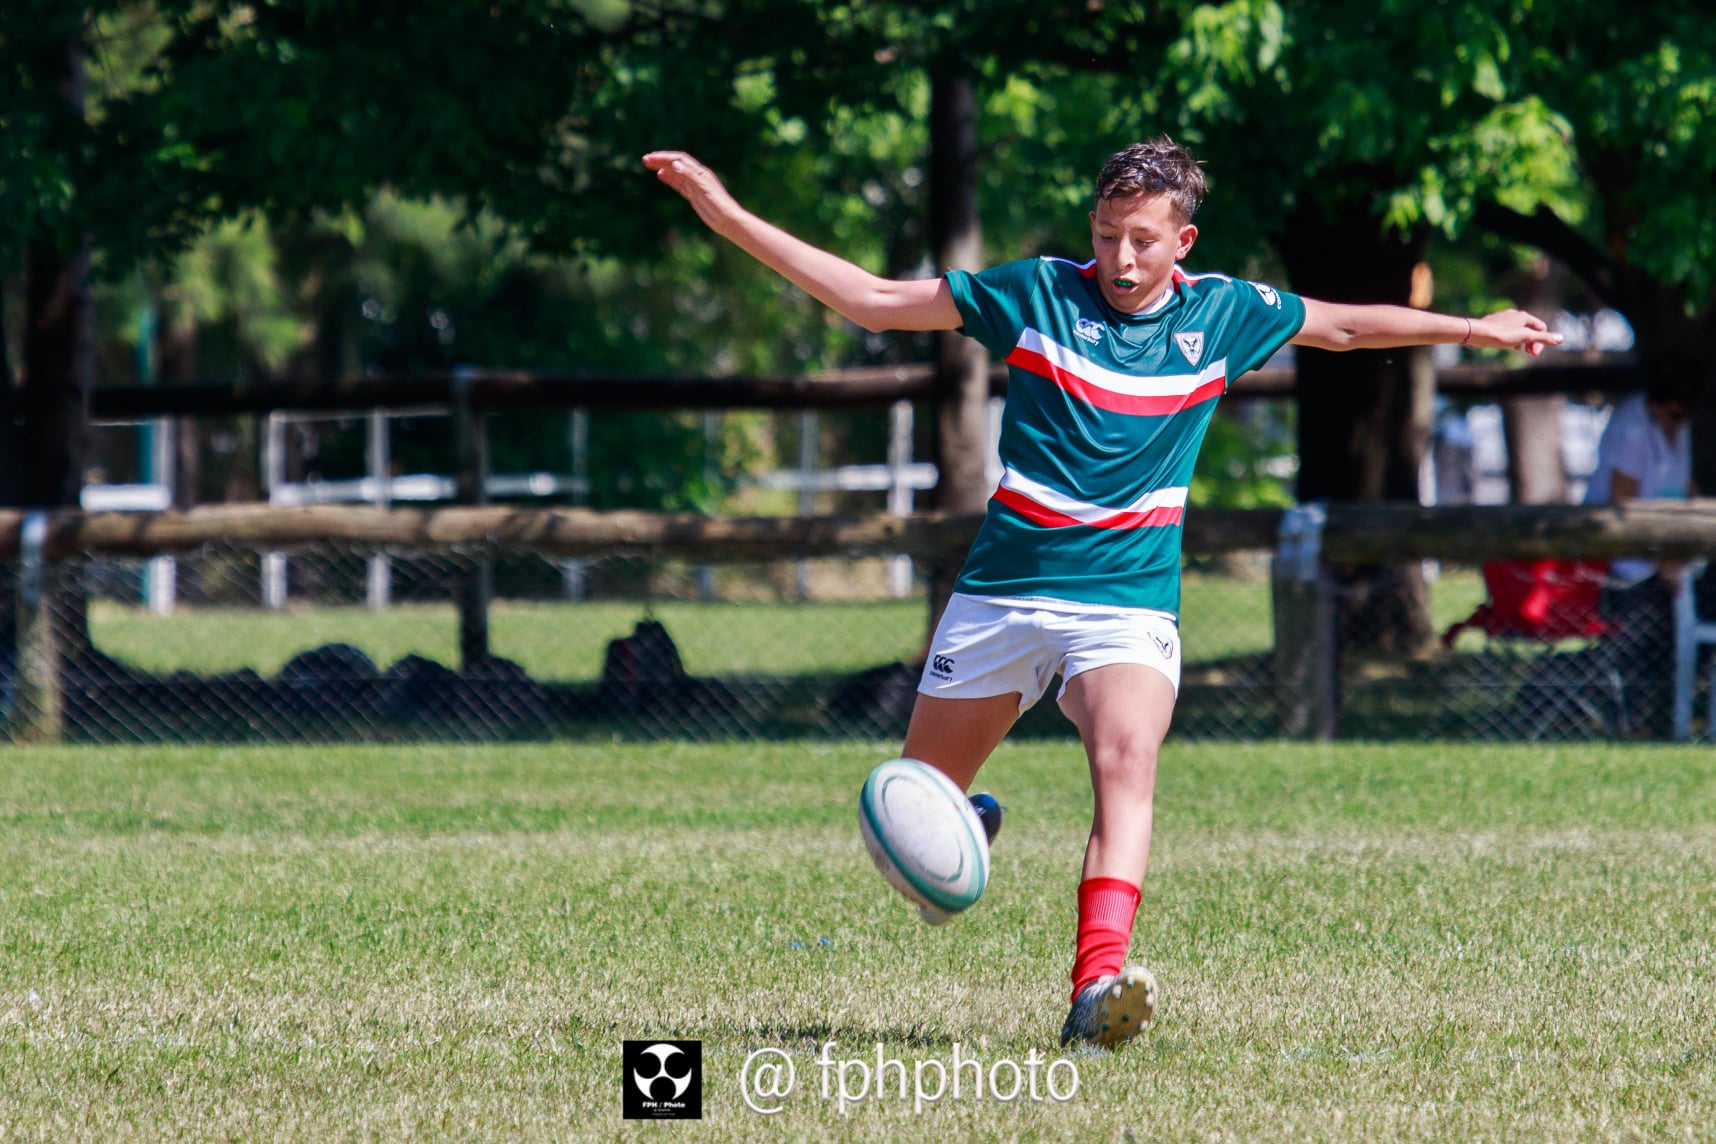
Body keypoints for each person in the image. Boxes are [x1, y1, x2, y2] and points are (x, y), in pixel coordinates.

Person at [644, 139, 1561, 1048]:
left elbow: (1346, 327)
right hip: (1004, 593)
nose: (1122, 258)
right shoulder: (1036, 293)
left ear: (1183, 241)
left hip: (1127, 601)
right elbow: (872, 300)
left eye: (1144, 241)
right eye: (1108, 234)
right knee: (912, 809)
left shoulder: (1224, 314)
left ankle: (1095, 991)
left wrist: (1475, 330)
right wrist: (723, 211)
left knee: (1128, 760)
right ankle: (966, 825)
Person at [1582, 362, 1699, 732]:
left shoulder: (1678, 425)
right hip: (1625, 559)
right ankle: (1628, 723)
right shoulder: (1633, 427)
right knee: (1634, 645)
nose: (1681, 424)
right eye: (1675, 415)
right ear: (1655, 405)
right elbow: (1624, 503)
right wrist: (1662, 559)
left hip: (1667, 551)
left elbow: (1684, 487)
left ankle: (1666, 717)